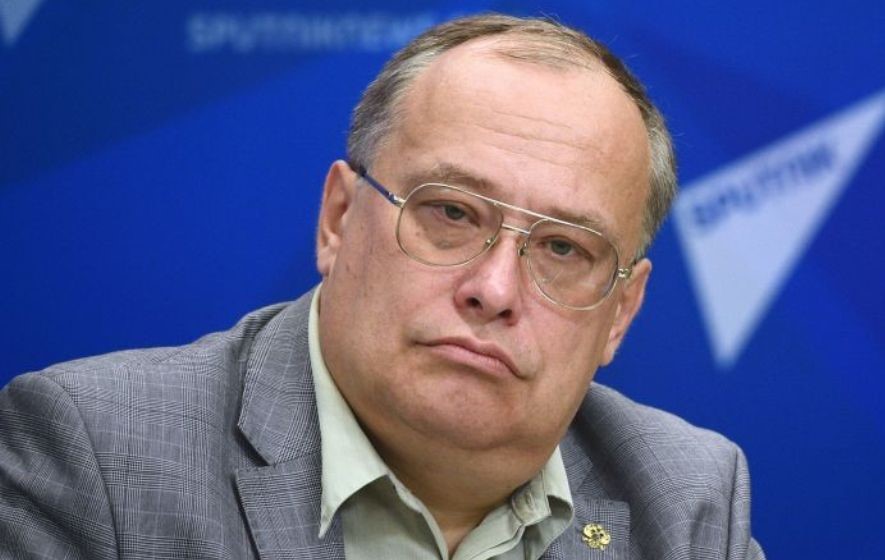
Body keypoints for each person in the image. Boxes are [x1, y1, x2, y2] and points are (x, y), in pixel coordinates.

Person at [0, 13, 764, 560]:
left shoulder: (687, 501)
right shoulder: (97, 457)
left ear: (619, 312)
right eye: (451, 213)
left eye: (563, 248)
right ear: (337, 219)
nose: (495, 289)